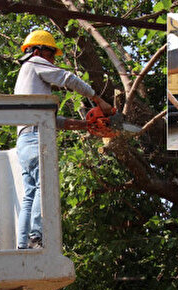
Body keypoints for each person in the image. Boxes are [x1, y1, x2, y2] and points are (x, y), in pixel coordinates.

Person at [13, 30, 113, 249]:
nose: (52, 61)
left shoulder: (26, 79)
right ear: (38, 50)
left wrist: (85, 125)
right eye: (51, 55)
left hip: (24, 140)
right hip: (35, 137)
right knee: (43, 185)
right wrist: (98, 99)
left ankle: (23, 244)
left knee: (30, 194)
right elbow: (67, 78)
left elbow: (52, 120)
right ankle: (37, 237)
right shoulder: (35, 62)